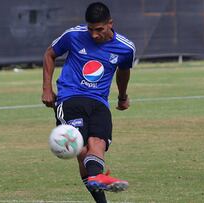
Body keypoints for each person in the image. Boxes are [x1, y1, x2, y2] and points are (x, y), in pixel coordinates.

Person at [41, 2, 135, 203]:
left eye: (99, 29)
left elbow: (124, 71)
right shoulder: (73, 35)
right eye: (90, 29)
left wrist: (122, 96)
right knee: (80, 148)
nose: (94, 35)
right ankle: (99, 182)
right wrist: (47, 88)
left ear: (110, 24)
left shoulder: (125, 49)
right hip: (70, 98)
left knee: (98, 143)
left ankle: (97, 178)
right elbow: (50, 53)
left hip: (99, 102)